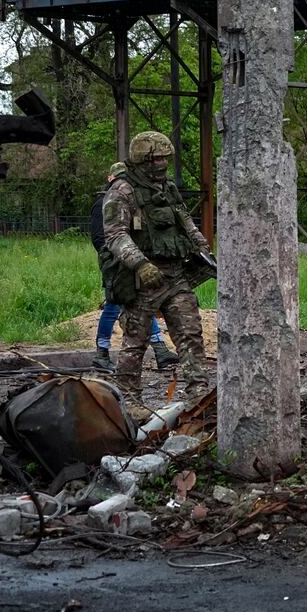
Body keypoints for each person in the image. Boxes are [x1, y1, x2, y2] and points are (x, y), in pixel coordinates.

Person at [102, 132, 212, 416]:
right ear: (143, 159)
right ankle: (130, 401)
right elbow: (115, 235)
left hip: (176, 276)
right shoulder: (122, 191)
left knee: (190, 334)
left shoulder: (167, 188)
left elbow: (184, 219)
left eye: (166, 158)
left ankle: (198, 394)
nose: (163, 163)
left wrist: (200, 245)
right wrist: (140, 264)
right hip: (142, 280)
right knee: (135, 342)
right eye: (157, 158)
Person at [90, 161, 174, 373]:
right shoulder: (103, 202)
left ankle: (159, 349)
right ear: (111, 179)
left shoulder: (130, 200)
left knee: (142, 302)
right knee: (113, 304)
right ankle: (102, 353)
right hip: (117, 263)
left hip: (133, 260)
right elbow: (101, 238)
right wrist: (115, 259)